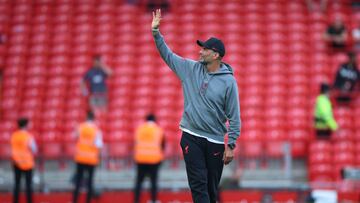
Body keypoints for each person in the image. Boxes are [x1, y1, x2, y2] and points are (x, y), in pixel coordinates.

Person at [152, 9, 241, 203]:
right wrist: (156, 34)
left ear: (216, 55)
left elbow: (234, 116)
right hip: (191, 136)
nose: (200, 51)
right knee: (198, 185)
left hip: (216, 141)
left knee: (210, 190)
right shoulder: (191, 69)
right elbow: (168, 55)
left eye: (204, 49)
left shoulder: (229, 82)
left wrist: (231, 145)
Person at [133, 114, 165, 203]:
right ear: (155, 120)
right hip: (154, 159)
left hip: (141, 158)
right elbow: (162, 145)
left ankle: (136, 200)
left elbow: (135, 143)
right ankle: (153, 200)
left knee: (139, 182)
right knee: (153, 182)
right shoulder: (158, 130)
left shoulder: (139, 129)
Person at [72, 111, 103, 203]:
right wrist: (99, 157)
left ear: (86, 118)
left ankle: (75, 200)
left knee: (78, 182)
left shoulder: (80, 128)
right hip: (91, 159)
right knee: (90, 182)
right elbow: (99, 145)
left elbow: (75, 137)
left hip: (80, 158)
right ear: (93, 119)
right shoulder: (96, 130)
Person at [11, 118, 37, 203]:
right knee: (28, 185)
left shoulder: (14, 135)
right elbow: (34, 149)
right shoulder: (28, 136)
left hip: (16, 162)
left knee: (17, 185)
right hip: (27, 163)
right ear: (26, 125)